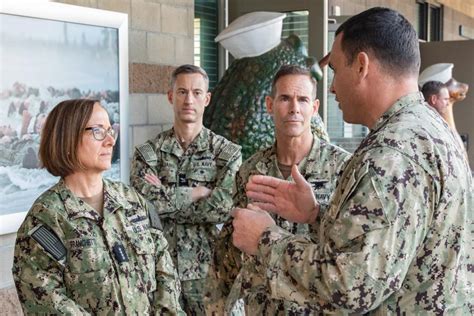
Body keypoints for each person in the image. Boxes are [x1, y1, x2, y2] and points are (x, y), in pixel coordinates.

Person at [232, 7, 473, 314]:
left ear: (361, 66)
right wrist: (317, 215)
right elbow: (395, 243)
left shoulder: (390, 155)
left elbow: (349, 288)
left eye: (334, 69)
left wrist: (265, 239)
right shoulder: (433, 129)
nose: (331, 86)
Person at [12, 99, 183, 315]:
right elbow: (48, 303)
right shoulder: (46, 220)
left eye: (110, 130)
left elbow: (164, 272)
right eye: (98, 131)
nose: (111, 140)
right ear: (68, 137)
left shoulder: (132, 201)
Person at [205, 65, 350, 315]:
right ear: (270, 105)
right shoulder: (251, 170)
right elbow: (228, 251)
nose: (294, 108)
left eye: (303, 100)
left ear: (314, 108)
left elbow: (349, 250)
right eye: (285, 98)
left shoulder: (343, 169)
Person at [130, 64, 242, 314]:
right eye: (181, 92)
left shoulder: (226, 154)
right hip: (160, 273)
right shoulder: (148, 154)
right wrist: (195, 193)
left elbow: (223, 209)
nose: (189, 100)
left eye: (196, 92)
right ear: (171, 97)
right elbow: (144, 208)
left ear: (207, 99)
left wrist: (165, 196)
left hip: (211, 275)